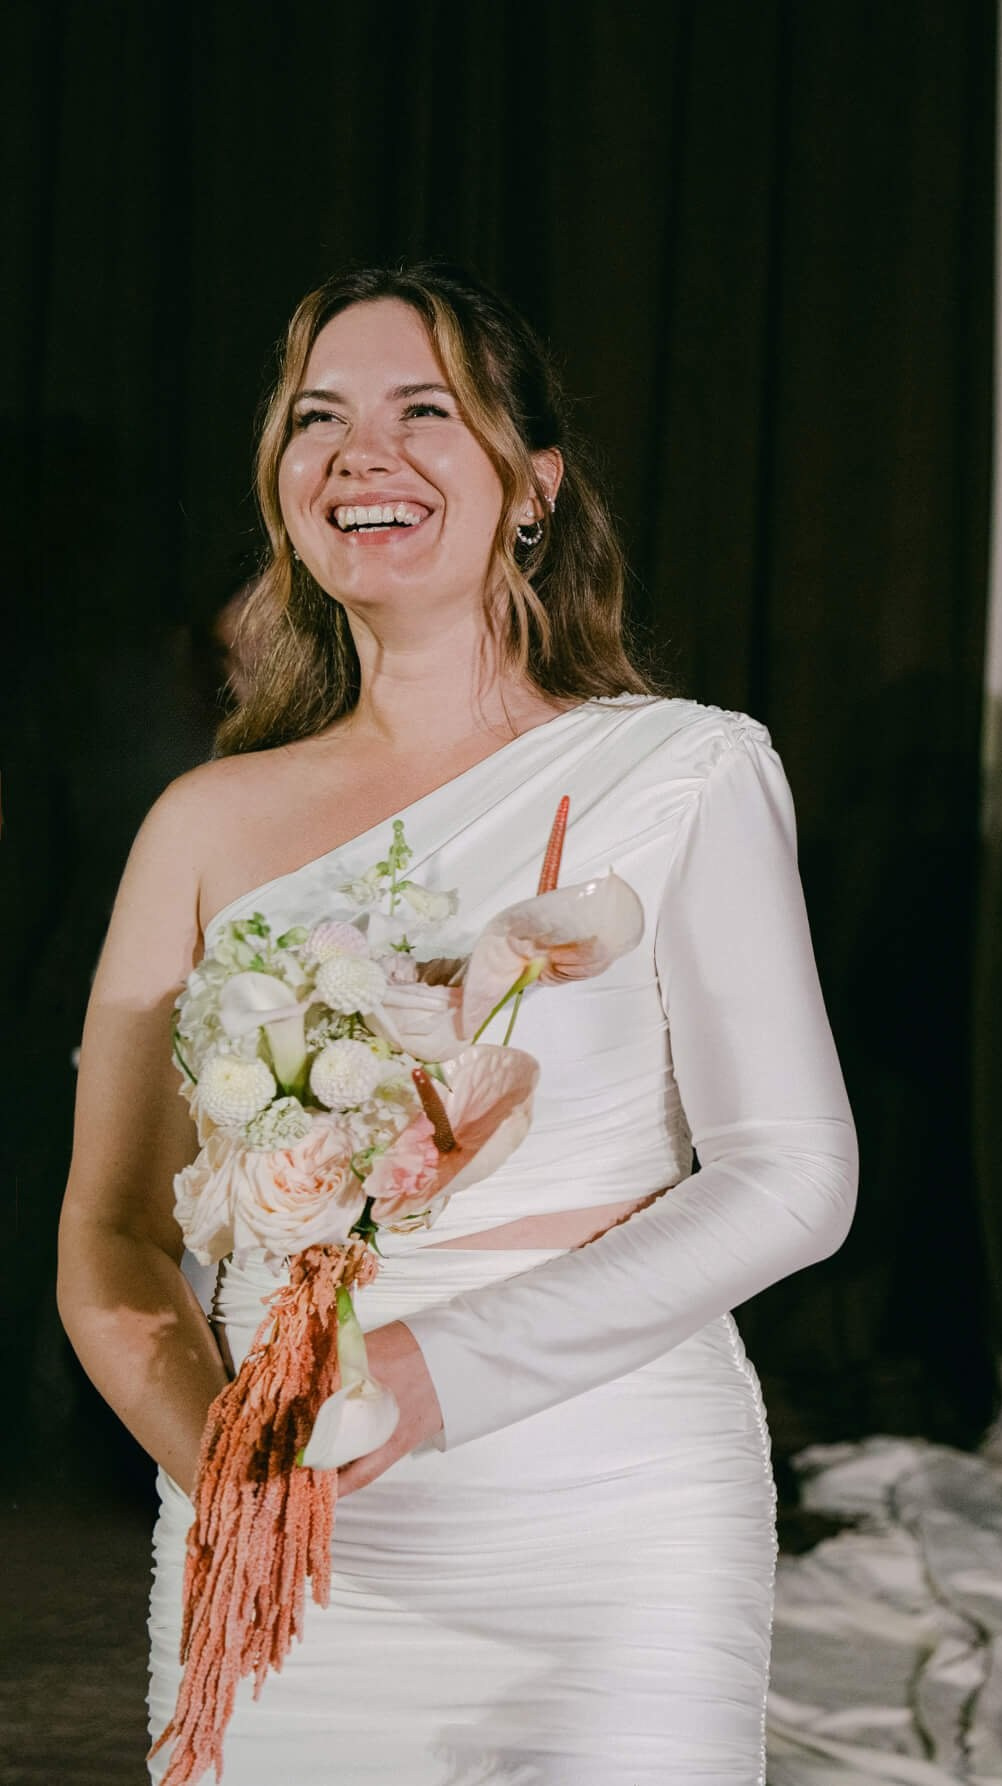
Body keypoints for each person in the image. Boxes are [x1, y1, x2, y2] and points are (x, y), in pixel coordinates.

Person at [55, 263, 858, 1784]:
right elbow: (111, 1231)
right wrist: (230, 1467)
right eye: (317, 419)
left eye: (424, 409)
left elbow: (797, 1176)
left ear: (532, 483)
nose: (362, 451)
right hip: (286, 1523)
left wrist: (435, 1370)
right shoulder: (201, 824)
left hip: (608, 1506)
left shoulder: (681, 773)